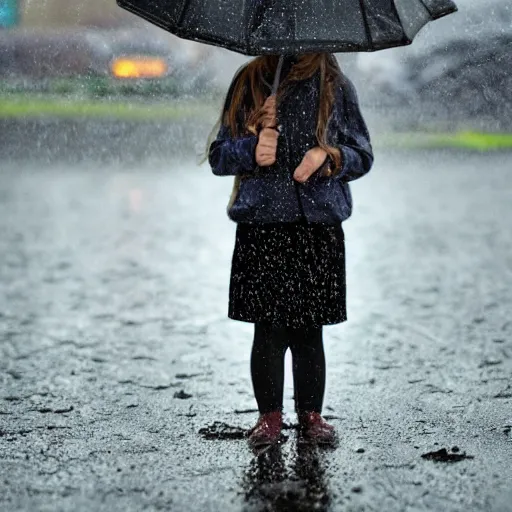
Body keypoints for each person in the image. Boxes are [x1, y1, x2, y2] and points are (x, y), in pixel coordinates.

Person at [208, 53, 373, 447]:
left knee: (308, 330)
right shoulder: (251, 81)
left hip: (316, 226)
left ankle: (311, 416)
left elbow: (362, 153)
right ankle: (269, 418)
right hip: (263, 225)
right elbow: (218, 155)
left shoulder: (334, 84)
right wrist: (251, 149)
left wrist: (328, 157)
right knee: (268, 329)